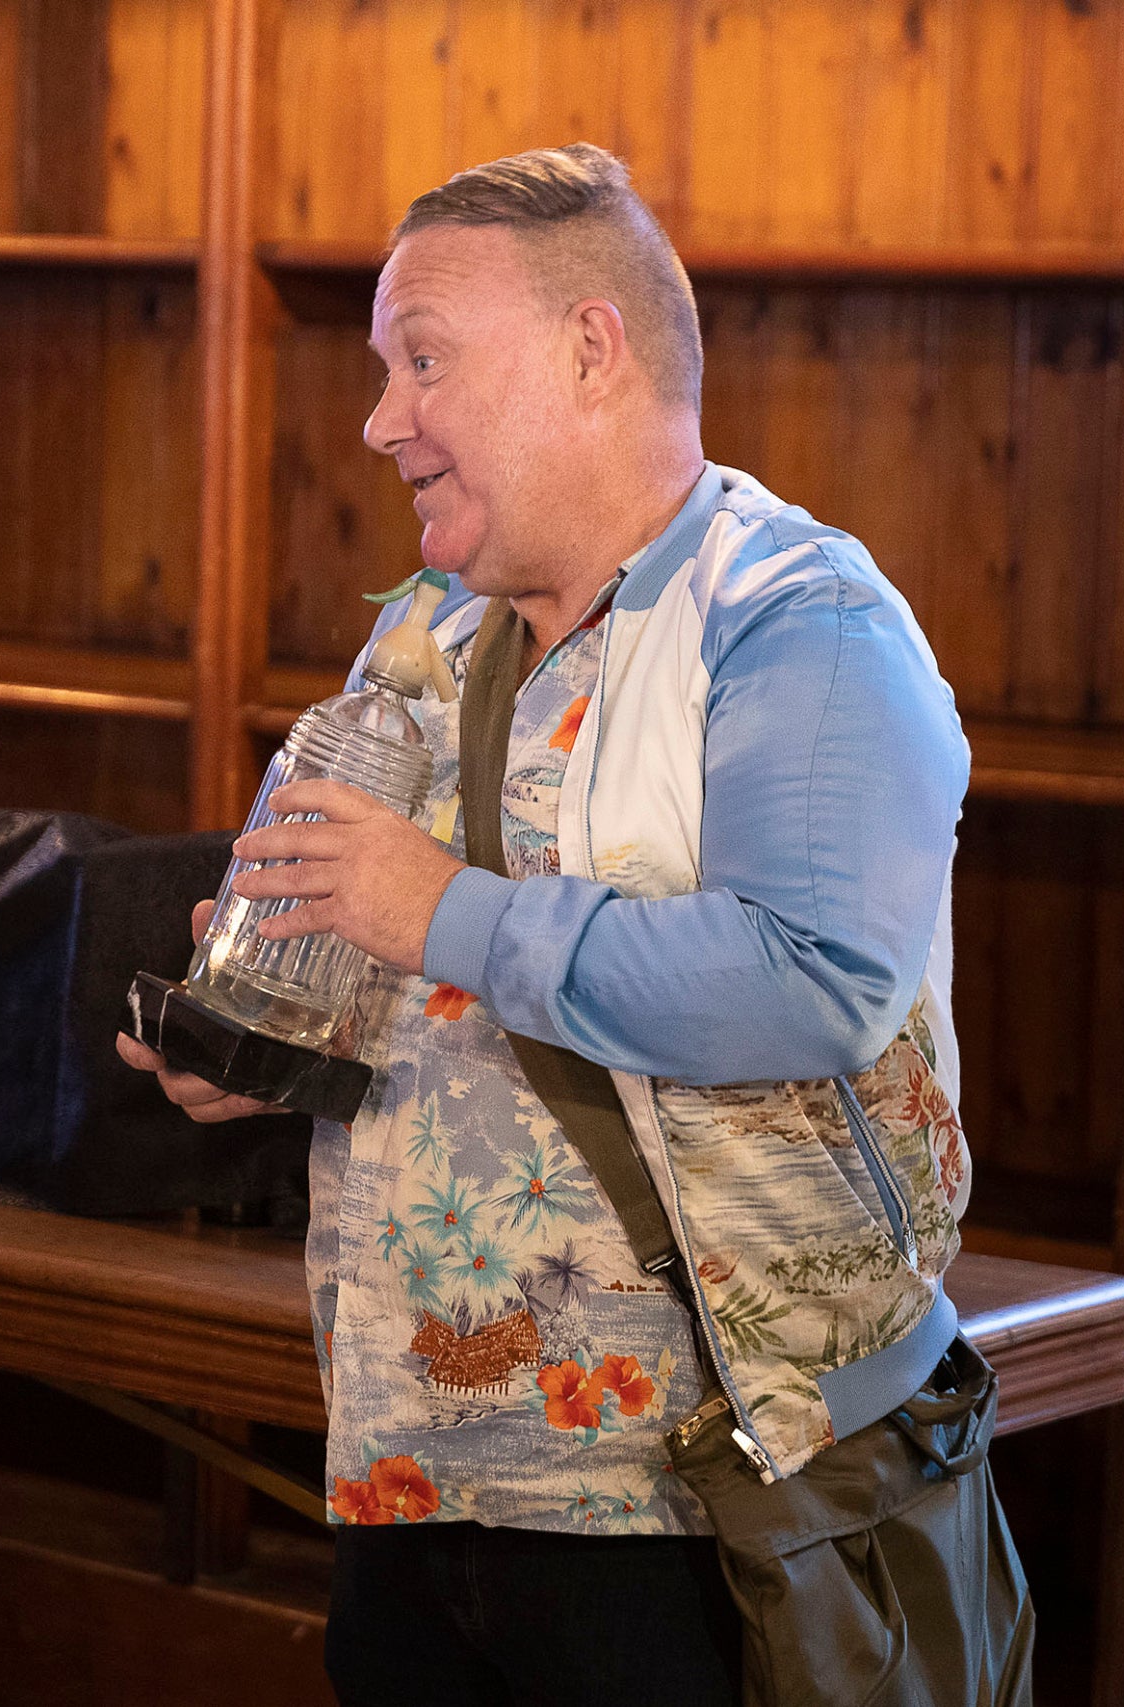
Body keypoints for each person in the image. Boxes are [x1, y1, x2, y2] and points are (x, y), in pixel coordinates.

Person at [118, 144, 976, 1702]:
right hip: (409, 1459)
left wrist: (433, 909)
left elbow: (818, 979)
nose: (383, 420)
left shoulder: (802, 622)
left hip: (685, 1492)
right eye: (385, 371)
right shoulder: (421, 637)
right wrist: (272, 1039)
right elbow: (403, 977)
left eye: (425, 360)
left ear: (593, 350)